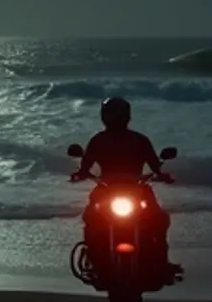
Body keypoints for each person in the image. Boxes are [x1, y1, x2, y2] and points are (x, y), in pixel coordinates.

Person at [71, 96, 175, 277]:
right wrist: (79, 174)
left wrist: (162, 174)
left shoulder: (139, 140)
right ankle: (93, 257)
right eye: (112, 113)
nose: (115, 117)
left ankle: (161, 260)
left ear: (127, 115)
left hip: (137, 189)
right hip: (106, 189)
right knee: (91, 217)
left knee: (158, 218)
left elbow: (155, 165)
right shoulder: (98, 140)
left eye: (118, 113)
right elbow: (85, 167)